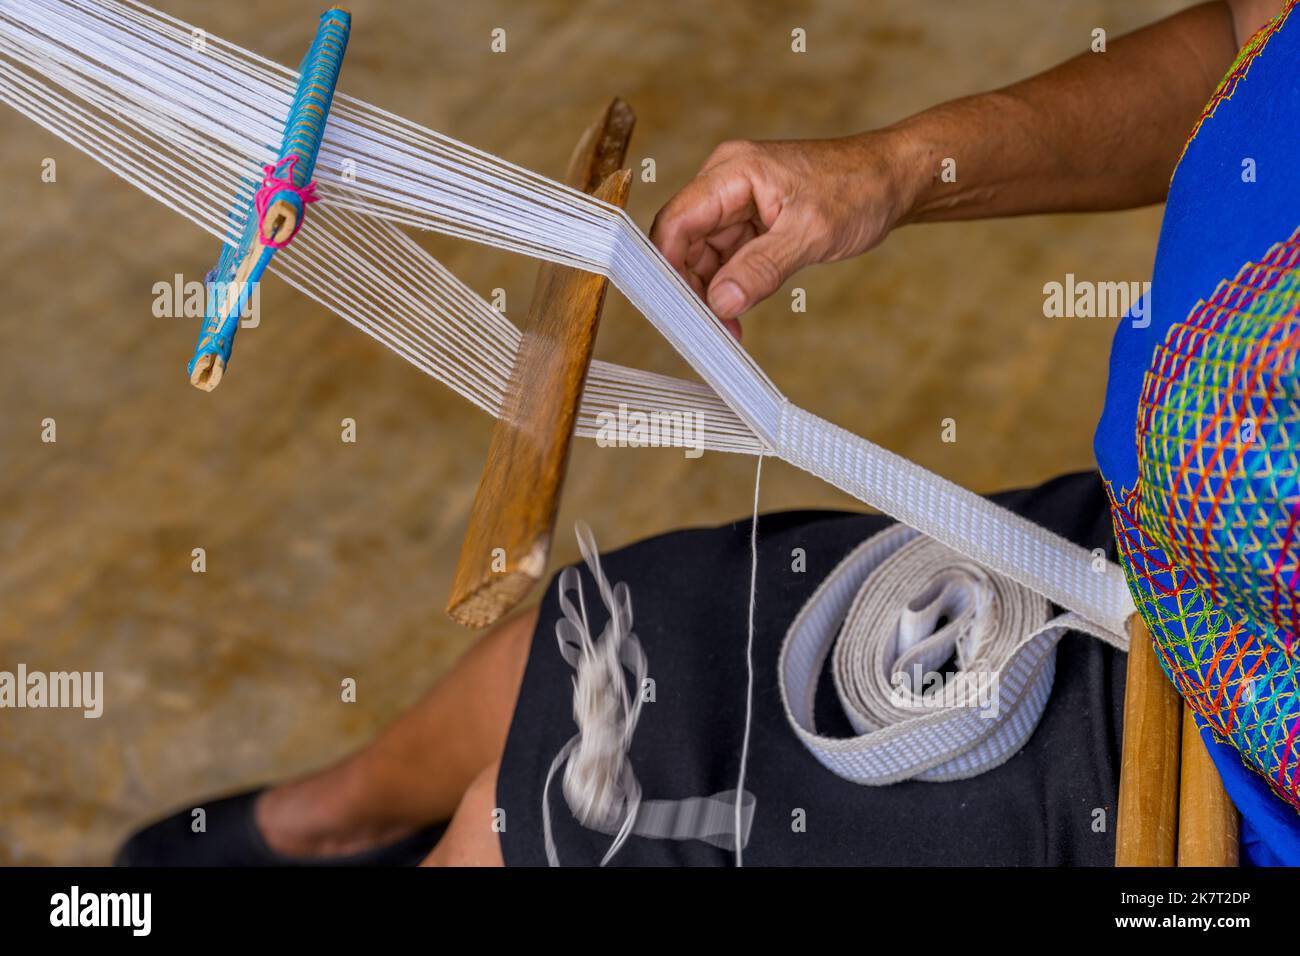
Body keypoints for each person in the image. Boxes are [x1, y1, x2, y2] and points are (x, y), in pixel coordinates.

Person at [118, 0, 1293, 867]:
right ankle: (327, 826)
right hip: (1155, 566)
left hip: (1226, 789)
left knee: (538, 827)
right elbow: (1246, 45)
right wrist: (895, 168)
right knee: (611, 623)